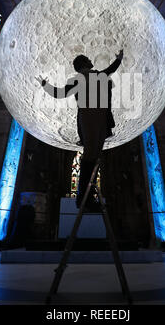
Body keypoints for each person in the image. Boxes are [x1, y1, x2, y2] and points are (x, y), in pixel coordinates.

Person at [37, 49, 123, 210]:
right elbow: (60, 93)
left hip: (100, 117)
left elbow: (110, 70)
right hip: (90, 117)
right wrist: (45, 84)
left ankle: (88, 197)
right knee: (90, 154)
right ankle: (84, 198)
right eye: (88, 59)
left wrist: (118, 59)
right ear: (84, 63)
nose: (91, 61)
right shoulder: (80, 79)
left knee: (95, 154)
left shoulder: (96, 75)